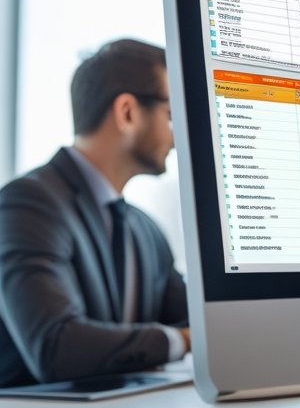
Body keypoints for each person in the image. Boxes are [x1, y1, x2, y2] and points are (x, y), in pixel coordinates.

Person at [0, 39, 188, 387]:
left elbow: (201, 322)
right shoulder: (26, 204)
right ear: (127, 112)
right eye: (171, 116)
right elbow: (56, 347)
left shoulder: (144, 231)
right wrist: (181, 341)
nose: (178, 139)